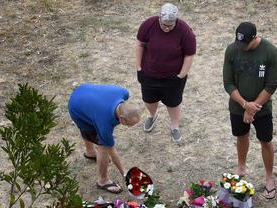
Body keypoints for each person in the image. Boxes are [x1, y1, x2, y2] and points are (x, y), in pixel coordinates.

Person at [222, 21, 277, 199]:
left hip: (262, 109)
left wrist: (253, 107)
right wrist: (245, 105)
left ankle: (269, 177)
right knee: (241, 136)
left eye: (245, 44)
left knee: (265, 141)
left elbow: (271, 85)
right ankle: (241, 166)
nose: (242, 48)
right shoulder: (232, 50)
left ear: (255, 38)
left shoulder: (270, 52)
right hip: (238, 107)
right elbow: (228, 83)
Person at [135, 3, 196, 143]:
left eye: (170, 25)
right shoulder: (148, 25)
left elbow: (189, 55)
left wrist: (181, 75)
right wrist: (138, 67)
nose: (166, 28)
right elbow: (140, 44)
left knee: (173, 103)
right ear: (159, 19)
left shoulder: (185, 31)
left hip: (173, 77)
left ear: (176, 21)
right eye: (164, 25)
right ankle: (153, 115)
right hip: (149, 73)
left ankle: (174, 126)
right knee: (149, 100)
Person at [68, 83, 142, 194]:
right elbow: (112, 152)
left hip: (84, 91)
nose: (130, 127)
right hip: (76, 107)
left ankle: (91, 152)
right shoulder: (105, 124)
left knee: (92, 123)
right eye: (129, 125)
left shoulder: (123, 92)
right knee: (102, 146)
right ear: (121, 118)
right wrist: (126, 174)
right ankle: (103, 181)